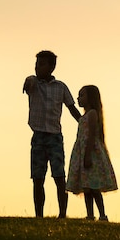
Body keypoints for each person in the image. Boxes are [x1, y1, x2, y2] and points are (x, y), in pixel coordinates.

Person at [23, 50, 81, 218]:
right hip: (38, 136)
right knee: (37, 177)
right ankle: (39, 215)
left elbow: (71, 108)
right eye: (36, 64)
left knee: (59, 175)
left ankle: (62, 213)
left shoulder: (60, 87)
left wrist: (83, 123)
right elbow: (28, 84)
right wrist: (28, 81)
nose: (37, 67)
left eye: (41, 64)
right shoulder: (34, 83)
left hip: (55, 136)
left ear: (51, 67)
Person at [66, 85, 117, 221]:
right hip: (83, 152)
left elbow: (91, 136)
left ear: (91, 98)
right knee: (86, 187)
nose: (79, 98)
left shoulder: (93, 114)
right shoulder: (84, 116)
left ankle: (102, 214)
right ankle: (90, 214)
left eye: (82, 95)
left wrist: (87, 155)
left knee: (94, 187)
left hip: (91, 153)